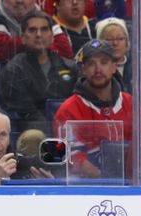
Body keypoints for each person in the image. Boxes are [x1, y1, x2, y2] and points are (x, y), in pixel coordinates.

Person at [53, 39, 133, 179]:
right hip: (87, 188)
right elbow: (73, 156)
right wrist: (107, 181)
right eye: (91, 64)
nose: (98, 69)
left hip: (130, 184)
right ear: (83, 69)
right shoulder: (68, 110)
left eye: (104, 62)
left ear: (114, 67)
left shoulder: (131, 103)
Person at [0, 11, 78, 134]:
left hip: (70, 130)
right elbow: (26, 113)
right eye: (32, 30)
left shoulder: (71, 67)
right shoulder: (14, 70)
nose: (39, 34)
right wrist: (54, 134)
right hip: (32, 133)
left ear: (52, 37)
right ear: (23, 38)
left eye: (44, 29)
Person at [96, 17, 131, 92]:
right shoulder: (97, 70)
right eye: (109, 40)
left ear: (127, 42)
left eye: (120, 38)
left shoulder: (137, 67)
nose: (115, 43)